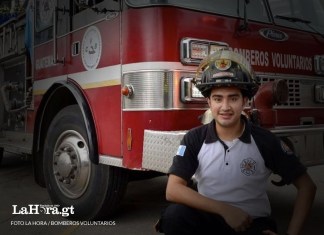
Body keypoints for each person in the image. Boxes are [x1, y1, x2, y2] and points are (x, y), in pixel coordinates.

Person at [156, 50, 317, 235]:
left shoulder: (265, 140)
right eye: (218, 99)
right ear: (208, 101)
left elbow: (307, 187)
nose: (225, 107)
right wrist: (226, 210)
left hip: (252, 223)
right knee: (174, 216)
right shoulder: (194, 138)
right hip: (210, 218)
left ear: (245, 101)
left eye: (233, 98)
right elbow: (173, 190)